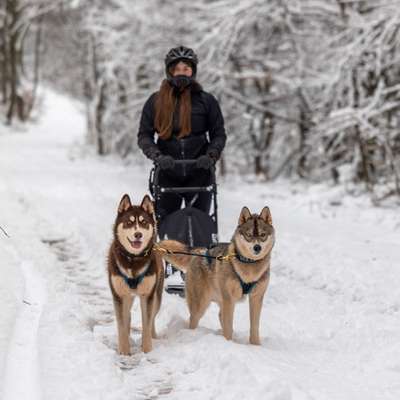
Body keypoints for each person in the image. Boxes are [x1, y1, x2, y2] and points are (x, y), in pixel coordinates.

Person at [137, 46, 226, 225]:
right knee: (167, 228)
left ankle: (200, 251)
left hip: (200, 173)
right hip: (168, 173)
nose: (181, 73)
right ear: (169, 71)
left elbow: (218, 134)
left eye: (186, 69)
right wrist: (157, 156)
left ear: (193, 71)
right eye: (177, 69)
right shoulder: (155, 101)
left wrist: (211, 155)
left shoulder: (207, 101)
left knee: (202, 226)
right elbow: (144, 135)